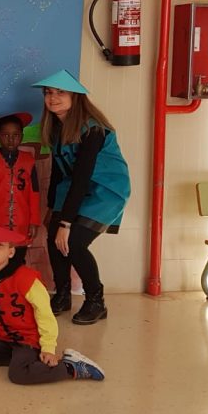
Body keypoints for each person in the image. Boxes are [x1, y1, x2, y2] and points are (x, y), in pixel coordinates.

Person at [0, 225, 105, 384]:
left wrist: (48, 348)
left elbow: (44, 314)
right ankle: (22, 361)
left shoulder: (26, 279)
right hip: (0, 336)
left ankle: (70, 367)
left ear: (11, 252)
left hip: (28, 339)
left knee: (18, 375)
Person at [34, 69, 130, 325]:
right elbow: (58, 172)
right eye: (48, 93)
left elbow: (82, 177)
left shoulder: (92, 129)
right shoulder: (56, 128)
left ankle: (96, 301)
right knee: (53, 237)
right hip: (73, 187)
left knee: (74, 243)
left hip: (105, 189)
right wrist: (52, 209)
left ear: (75, 97)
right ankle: (62, 294)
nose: (53, 98)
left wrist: (66, 223)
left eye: (60, 92)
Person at [0, 113, 40, 264]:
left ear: (22, 136)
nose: (11, 139)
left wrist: (34, 221)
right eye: (5, 135)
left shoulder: (28, 160)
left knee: (18, 260)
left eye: (16, 135)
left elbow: (34, 193)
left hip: (22, 220)